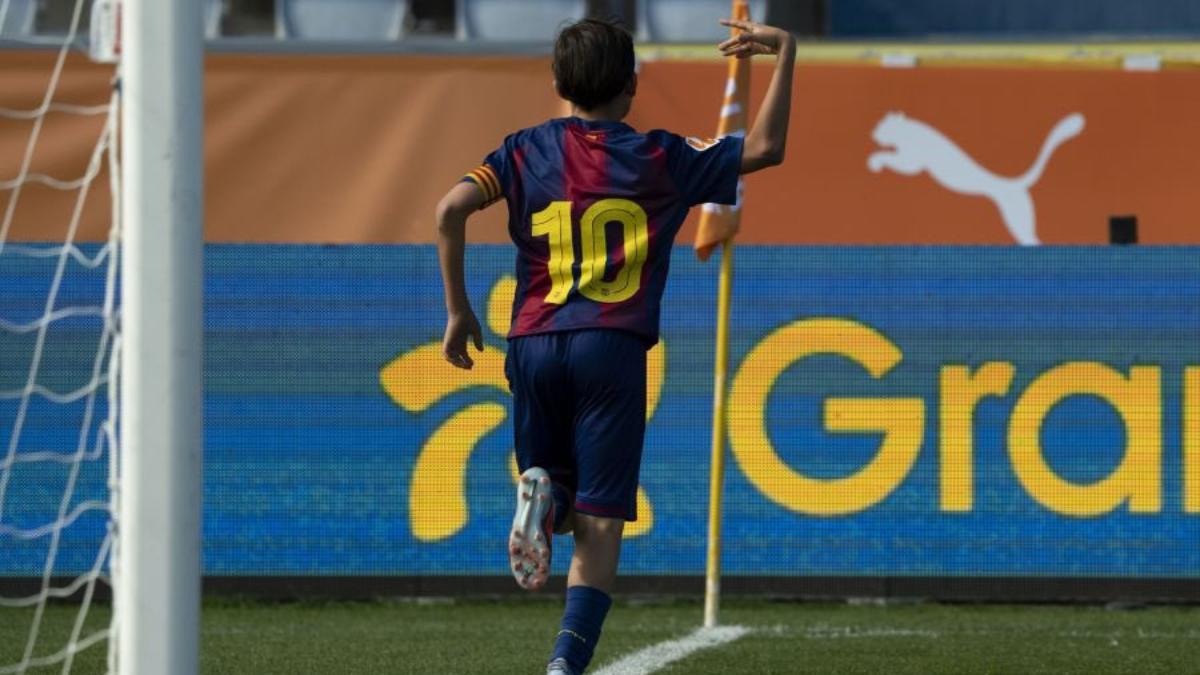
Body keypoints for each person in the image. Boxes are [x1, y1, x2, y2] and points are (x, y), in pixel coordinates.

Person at [435, 15, 795, 675]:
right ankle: (566, 663)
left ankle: (544, 494)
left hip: (534, 345)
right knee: (600, 525)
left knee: (565, 509)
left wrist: (459, 311)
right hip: (612, 348)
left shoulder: (521, 150)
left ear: (556, 83)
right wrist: (787, 53)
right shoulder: (661, 157)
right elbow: (767, 147)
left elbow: (449, 210)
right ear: (632, 84)